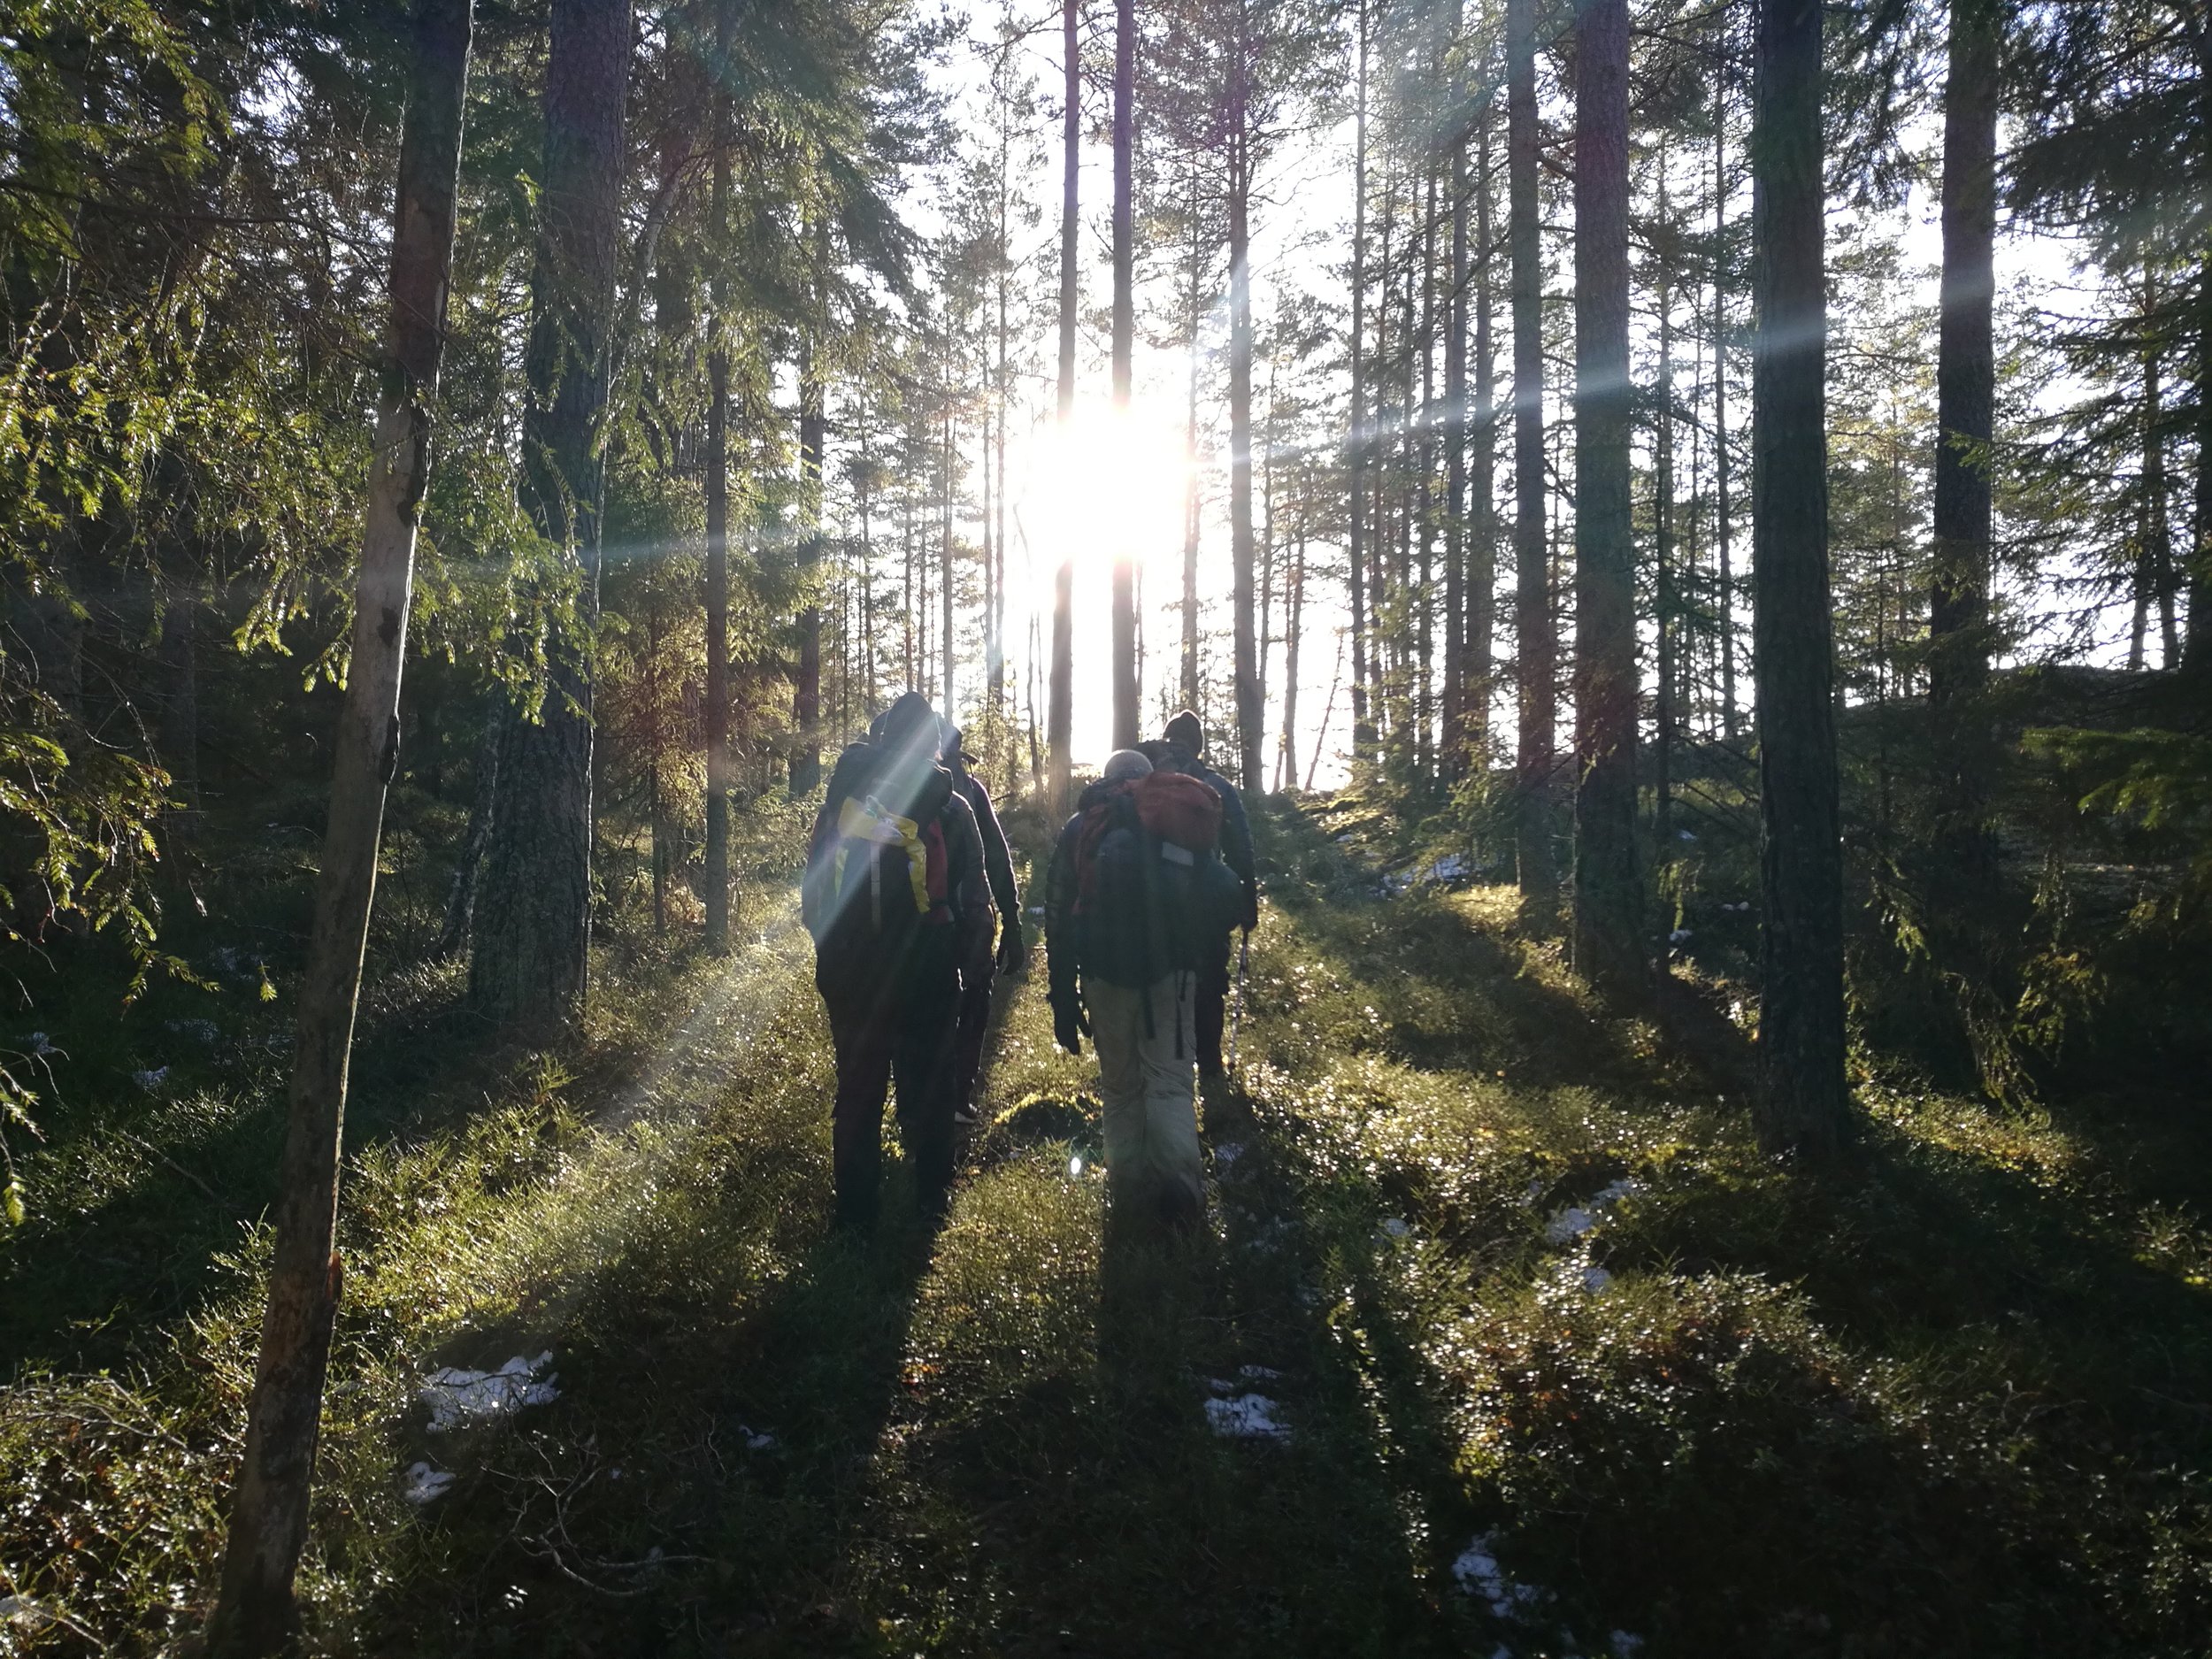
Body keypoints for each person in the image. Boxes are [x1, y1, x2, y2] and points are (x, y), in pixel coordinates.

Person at [803, 692, 990, 1231]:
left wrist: (833, 951)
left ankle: (855, 1218)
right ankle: (931, 1208)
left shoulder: (844, 803)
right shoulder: (949, 806)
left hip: (851, 970)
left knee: (859, 1089)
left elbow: (812, 893)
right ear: (932, 746)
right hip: (927, 971)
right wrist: (970, 965)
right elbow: (974, 895)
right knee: (930, 1088)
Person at [1047, 749, 1240, 1232]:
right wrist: (1205, 973)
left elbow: (1057, 916)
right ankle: (1180, 1190)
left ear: (1108, 779)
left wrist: (1064, 999)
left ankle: (1127, 1189)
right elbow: (1210, 900)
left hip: (1102, 975)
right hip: (1171, 975)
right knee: (1170, 1083)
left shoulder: (1081, 827)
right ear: (1149, 780)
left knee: (1119, 1087)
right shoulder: (1173, 821)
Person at [1157, 710, 1259, 1080]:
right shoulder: (1216, 785)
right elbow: (1240, 848)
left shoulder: (1153, 782)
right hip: (1206, 897)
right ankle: (1211, 1066)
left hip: (1158, 899)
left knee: (1164, 979)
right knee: (1210, 980)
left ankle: (1168, 1066)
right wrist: (1248, 901)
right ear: (1198, 747)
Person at [941, 720, 1025, 1125]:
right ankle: (957, 1097)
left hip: (924, 921)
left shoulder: (898, 793)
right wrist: (1012, 920)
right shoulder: (972, 793)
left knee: (928, 1005)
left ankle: (922, 1097)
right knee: (974, 1000)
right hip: (973, 919)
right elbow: (997, 858)